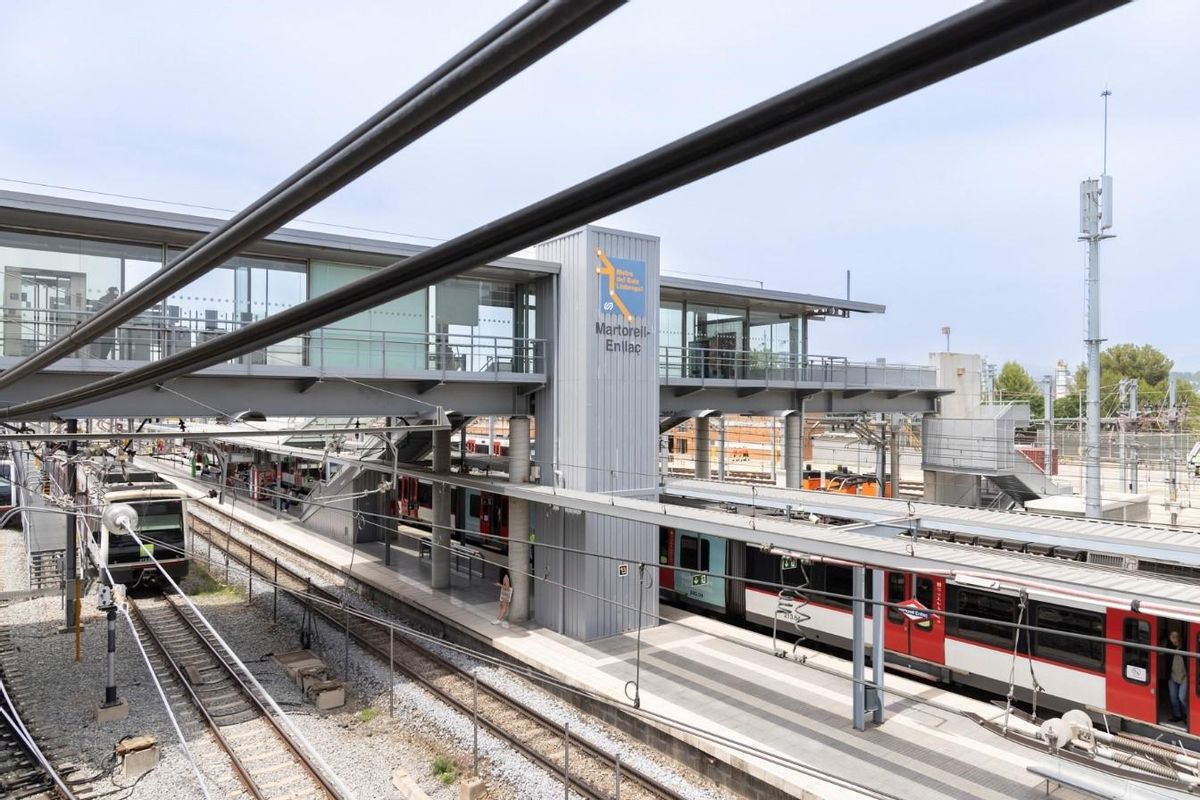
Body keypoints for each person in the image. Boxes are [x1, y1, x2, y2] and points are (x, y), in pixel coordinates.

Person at [1167, 629, 1188, 723]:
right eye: (1172, 639)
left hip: (1184, 677)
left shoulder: (1185, 647)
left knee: (1182, 697)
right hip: (1172, 676)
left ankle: (1187, 715)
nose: (1174, 642)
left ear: (1180, 639)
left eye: (1175, 639)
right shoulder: (1169, 647)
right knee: (1173, 697)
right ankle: (1177, 715)